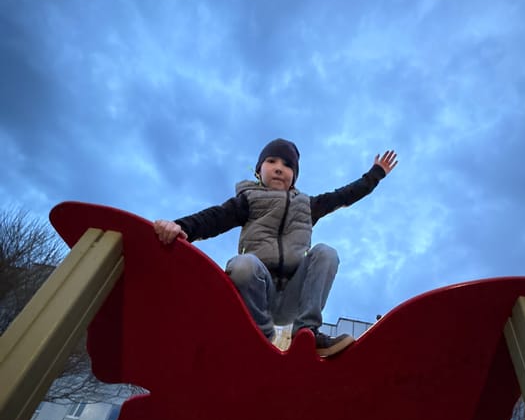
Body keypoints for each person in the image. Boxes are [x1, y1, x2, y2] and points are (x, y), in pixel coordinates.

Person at [154, 139, 397, 356]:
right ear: (259, 170)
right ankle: (257, 336)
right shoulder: (248, 200)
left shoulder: (308, 206)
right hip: (259, 291)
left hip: (293, 294)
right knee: (243, 264)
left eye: (287, 165)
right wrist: (180, 226)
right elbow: (215, 217)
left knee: (326, 253)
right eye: (271, 161)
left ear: (294, 176)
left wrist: (376, 173)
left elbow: (344, 195)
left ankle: (307, 333)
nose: (279, 168)